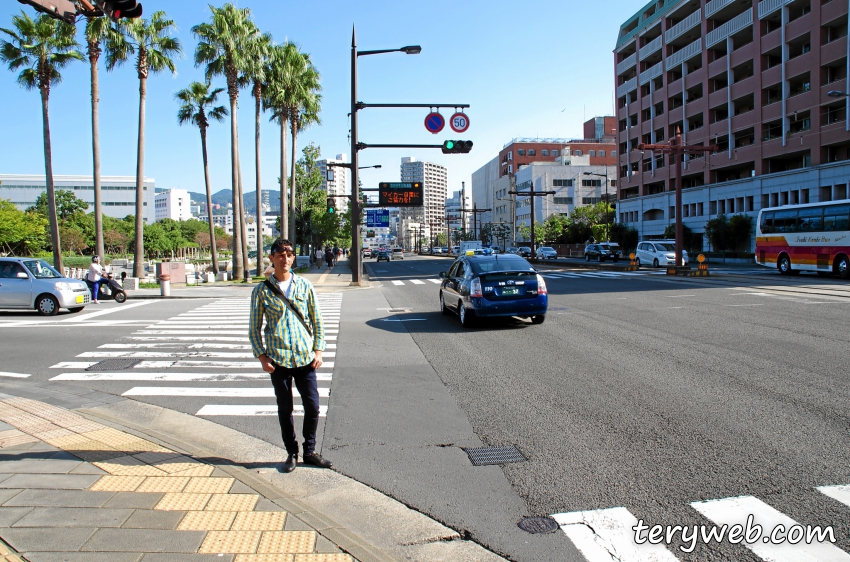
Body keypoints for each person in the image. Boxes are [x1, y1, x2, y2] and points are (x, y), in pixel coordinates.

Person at [249, 238, 330, 473]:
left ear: (293, 257)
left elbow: (317, 321)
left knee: (313, 407)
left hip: (305, 358)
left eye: (289, 254)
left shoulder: (305, 286)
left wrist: (318, 350)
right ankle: (291, 453)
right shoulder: (262, 291)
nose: (285, 259)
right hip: (279, 360)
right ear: (272, 258)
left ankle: (310, 451)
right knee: (285, 409)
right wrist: (262, 357)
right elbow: (254, 328)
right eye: (280, 255)